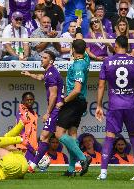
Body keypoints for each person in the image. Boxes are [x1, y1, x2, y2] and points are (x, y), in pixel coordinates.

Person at [95, 35, 134, 180]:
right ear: (128, 46)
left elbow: (101, 85)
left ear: (116, 46)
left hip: (115, 105)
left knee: (109, 138)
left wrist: (98, 105)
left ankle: (103, 173)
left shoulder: (107, 61)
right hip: (131, 104)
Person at [54, 18, 91, 177]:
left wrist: (63, 101)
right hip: (79, 103)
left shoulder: (77, 65)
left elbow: (76, 90)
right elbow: (80, 42)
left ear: (73, 49)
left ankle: (83, 158)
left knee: (59, 134)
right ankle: (71, 169)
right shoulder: (86, 58)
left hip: (74, 101)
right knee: (71, 135)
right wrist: (79, 24)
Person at [21, 50, 64, 172]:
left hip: (56, 109)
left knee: (45, 136)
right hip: (58, 108)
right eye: (41, 57)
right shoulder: (50, 72)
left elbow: (53, 95)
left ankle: (32, 165)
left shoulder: (51, 74)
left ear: (50, 61)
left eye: (44, 58)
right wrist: (30, 75)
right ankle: (78, 161)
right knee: (60, 136)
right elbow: (41, 77)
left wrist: (48, 112)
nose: (41, 59)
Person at [15, 92, 38, 163]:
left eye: (31, 99)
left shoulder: (33, 113)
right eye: (27, 100)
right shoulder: (21, 113)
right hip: (24, 148)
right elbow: (22, 134)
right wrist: (32, 150)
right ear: (23, 101)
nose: (29, 101)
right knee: (26, 171)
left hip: (33, 147)